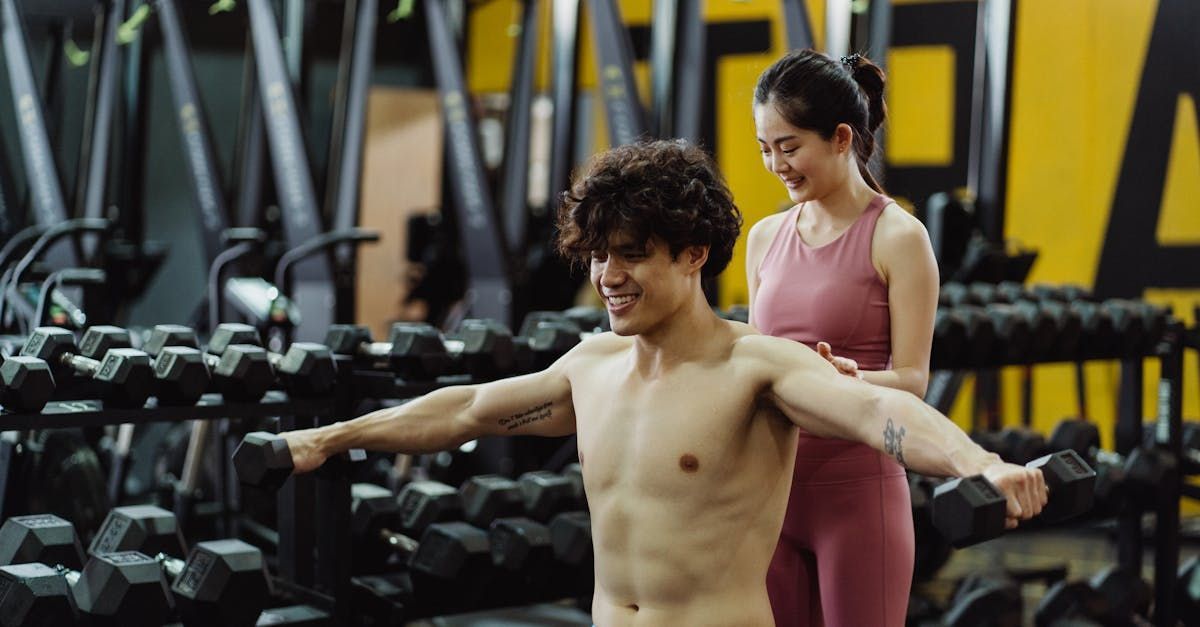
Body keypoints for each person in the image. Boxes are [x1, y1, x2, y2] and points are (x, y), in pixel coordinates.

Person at [275, 140, 1043, 626]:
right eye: (598, 256)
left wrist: (984, 463)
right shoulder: (588, 369)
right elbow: (468, 409)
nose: (608, 277)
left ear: (693, 254)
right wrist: (330, 436)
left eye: (632, 254)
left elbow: (880, 410)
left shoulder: (759, 370)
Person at [745, 49, 939, 626]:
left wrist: (847, 379)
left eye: (789, 146)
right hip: (771, 495)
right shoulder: (766, 237)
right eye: (765, 149)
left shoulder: (899, 237)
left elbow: (914, 380)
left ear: (840, 137)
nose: (777, 164)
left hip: (857, 494)